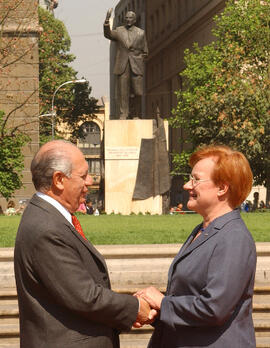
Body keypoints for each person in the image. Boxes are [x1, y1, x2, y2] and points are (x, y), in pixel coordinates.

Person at [14, 140, 155, 348]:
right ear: (59, 180)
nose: (90, 181)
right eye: (83, 175)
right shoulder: (47, 228)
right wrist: (135, 307)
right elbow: (85, 296)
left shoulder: (49, 218)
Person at [136, 145, 257, 348]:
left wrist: (163, 303)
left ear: (222, 188)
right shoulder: (203, 230)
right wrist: (156, 314)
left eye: (196, 179)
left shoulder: (234, 237)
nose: (186, 185)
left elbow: (214, 308)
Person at [104, 9, 148, 119]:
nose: (128, 20)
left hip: (136, 65)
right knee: (123, 92)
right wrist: (106, 21)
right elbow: (108, 34)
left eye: (130, 18)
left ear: (134, 20)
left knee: (138, 92)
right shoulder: (119, 30)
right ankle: (123, 113)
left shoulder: (141, 33)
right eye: (126, 18)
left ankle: (135, 114)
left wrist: (139, 59)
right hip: (122, 65)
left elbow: (145, 51)